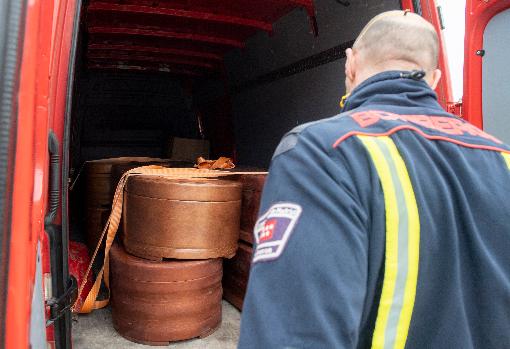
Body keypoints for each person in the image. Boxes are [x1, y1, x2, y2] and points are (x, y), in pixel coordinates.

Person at [238, 10, 510, 349]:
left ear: (350, 64)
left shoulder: (323, 151)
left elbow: (292, 336)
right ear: (435, 79)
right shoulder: (502, 158)